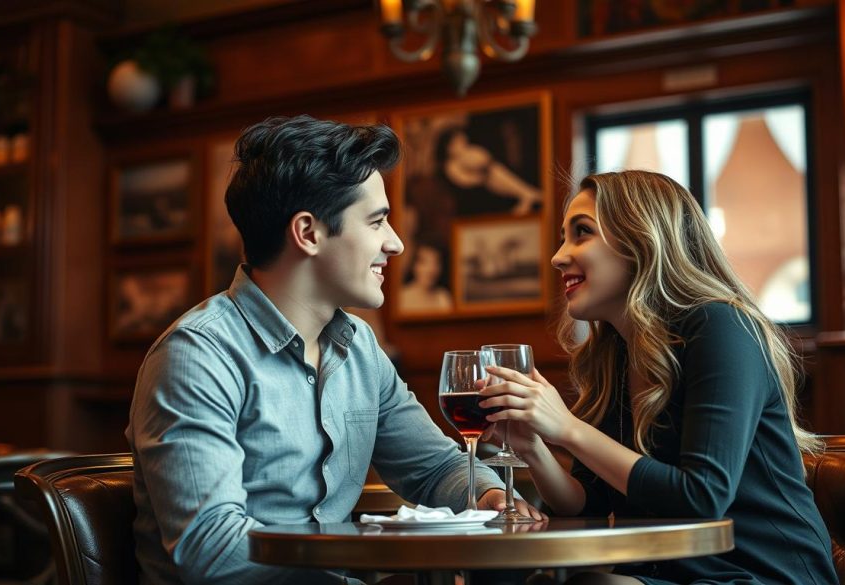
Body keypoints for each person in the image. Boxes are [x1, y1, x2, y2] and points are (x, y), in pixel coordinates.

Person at [125, 115, 540, 585]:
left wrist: (486, 496)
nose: (396, 243)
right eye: (378, 221)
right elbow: (213, 551)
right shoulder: (198, 355)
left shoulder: (360, 347)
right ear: (308, 233)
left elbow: (434, 467)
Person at [480, 170, 839, 584]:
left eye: (582, 233)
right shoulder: (613, 352)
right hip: (671, 573)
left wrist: (568, 429)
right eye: (564, 237)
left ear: (642, 242)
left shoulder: (721, 327)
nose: (558, 256)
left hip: (760, 573)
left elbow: (701, 497)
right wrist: (534, 447)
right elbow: (586, 506)